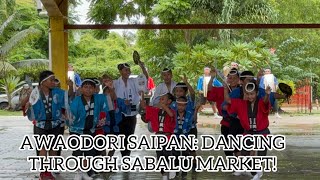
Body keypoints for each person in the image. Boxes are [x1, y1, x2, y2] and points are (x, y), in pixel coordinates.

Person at [21, 70, 68, 180]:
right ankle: (44, 172)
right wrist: (28, 97)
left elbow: (68, 98)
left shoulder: (58, 92)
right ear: (43, 82)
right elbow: (23, 104)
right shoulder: (35, 92)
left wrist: (72, 87)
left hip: (55, 124)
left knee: (53, 149)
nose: (54, 82)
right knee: (42, 148)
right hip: (40, 124)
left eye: (54, 80)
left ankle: (50, 171)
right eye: (51, 80)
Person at [225, 79, 272, 180]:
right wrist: (225, 87)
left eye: (252, 94)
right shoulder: (241, 103)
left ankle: (257, 172)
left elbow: (265, 102)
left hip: (262, 133)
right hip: (248, 133)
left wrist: (267, 94)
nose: (250, 96)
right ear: (245, 94)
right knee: (245, 155)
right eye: (248, 94)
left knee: (261, 156)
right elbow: (228, 100)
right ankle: (256, 173)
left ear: (257, 93)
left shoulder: (260, 102)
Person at [69, 78, 109, 180]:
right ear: (81, 89)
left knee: (88, 152)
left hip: (91, 130)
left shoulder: (99, 98)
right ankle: (78, 172)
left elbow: (107, 103)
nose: (88, 89)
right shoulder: (76, 101)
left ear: (95, 89)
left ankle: (85, 172)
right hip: (76, 130)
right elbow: (71, 116)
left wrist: (110, 87)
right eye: (85, 87)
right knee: (78, 152)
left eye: (91, 87)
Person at [113, 62, 148, 157]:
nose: (128, 72)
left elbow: (144, 79)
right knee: (121, 135)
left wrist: (142, 67)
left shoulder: (133, 81)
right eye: (126, 70)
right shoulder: (115, 83)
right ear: (120, 71)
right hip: (120, 114)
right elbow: (112, 96)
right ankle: (123, 154)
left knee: (130, 135)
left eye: (129, 70)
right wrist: (121, 102)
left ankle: (126, 155)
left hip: (132, 113)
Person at [140, 93, 176, 180]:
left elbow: (171, 115)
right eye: (160, 99)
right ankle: (164, 175)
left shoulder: (172, 111)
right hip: (158, 138)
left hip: (168, 137)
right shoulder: (155, 110)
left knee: (168, 155)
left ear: (169, 101)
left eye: (163, 99)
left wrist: (164, 106)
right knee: (160, 157)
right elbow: (145, 107)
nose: (160, 100)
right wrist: (142, 98)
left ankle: (172, 168)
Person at [207, 68, 242, 158]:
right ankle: (234, 165)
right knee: (227, 148)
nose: (232, 80)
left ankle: (240, 166)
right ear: (227, 79)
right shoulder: (222, 89)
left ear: (239, 79)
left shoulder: (243, 91)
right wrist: (212, 78)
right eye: (230, 78)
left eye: (235, 78)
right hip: (226, 122)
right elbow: (210, 91)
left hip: (239, 122)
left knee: (238, 147)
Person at [172, 96, 193, 178]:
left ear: (186, 106)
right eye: (179, 105)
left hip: (185, 136)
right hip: (175, 136)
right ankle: (176, 171)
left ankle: (184, 172)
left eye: (182, 105)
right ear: (176, 105)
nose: (180, 107)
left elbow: (191, 125)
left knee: (185, 154)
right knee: (175, 154)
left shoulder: (189, 114)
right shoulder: (172, 113)